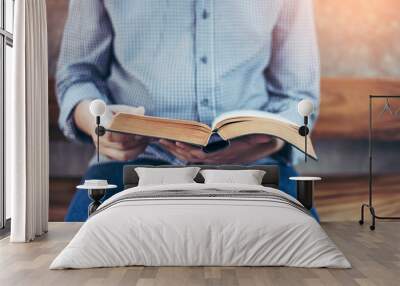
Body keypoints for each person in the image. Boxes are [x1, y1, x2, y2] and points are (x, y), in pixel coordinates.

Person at [57, 0, 320, 222]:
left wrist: (271, 140)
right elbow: (78, 75)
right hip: (128, 164)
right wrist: (98, 125)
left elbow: (298, 95)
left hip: (256, 164)